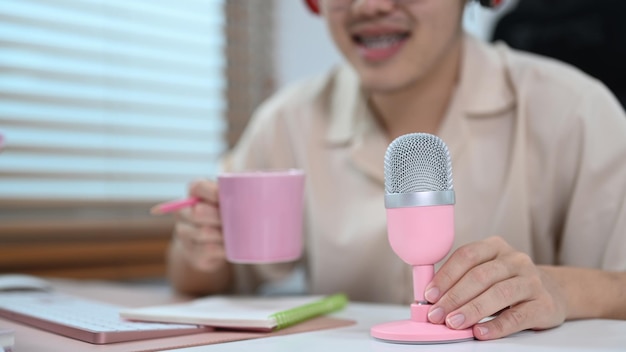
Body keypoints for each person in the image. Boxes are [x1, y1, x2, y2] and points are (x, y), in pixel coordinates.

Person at [167, 0, 626, 341]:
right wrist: (200, 248)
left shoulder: (575, 109)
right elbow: (200, 278)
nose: (371, 6)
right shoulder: (286, 119)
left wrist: (559, 289)